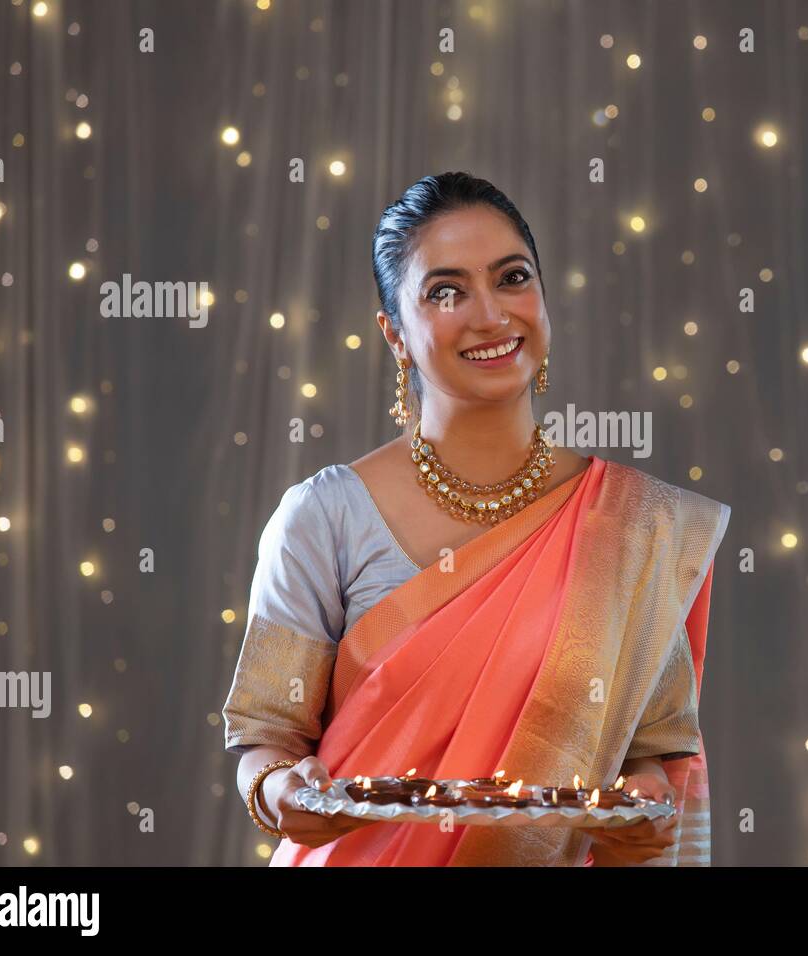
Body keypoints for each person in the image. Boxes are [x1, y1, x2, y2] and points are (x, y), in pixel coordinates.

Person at [222, 171, 730, 865]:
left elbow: (656, 751)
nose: (490, 315)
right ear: (394, 333)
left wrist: (642, 809)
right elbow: (266, 734)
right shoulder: (325, 516)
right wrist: (281, 791)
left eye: (512, 278)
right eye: (446, 291)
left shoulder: (633, 525)